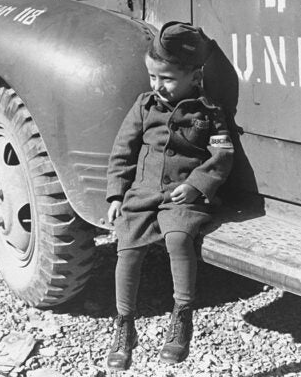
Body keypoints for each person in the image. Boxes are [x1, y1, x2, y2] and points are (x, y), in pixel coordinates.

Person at [105, 21, 234, 371]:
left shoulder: (208, 112)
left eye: (166, 79)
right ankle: (124, 325)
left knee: (179, 239)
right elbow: (123, 151)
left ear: (194, 76)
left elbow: (222, 157)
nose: (157, 86)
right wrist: (115, 195)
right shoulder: (145, 106)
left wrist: (195, 184)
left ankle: (182, 316)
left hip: (181, 197)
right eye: (152, 78)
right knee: (127, 249)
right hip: (143, 192)